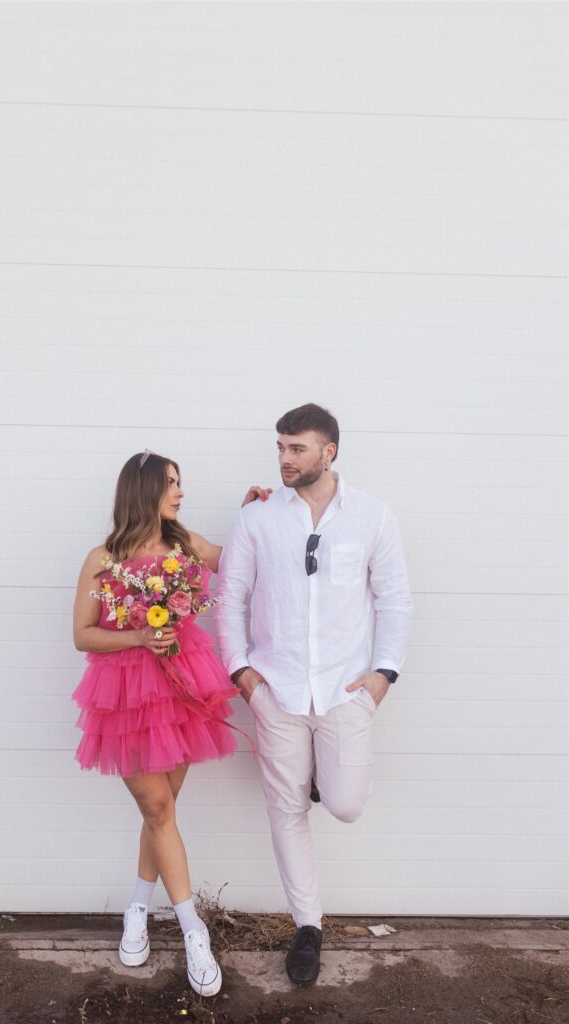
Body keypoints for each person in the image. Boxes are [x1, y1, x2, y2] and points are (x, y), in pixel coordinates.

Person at [216, 403, 412, 986]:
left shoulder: (373, 517)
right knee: (286, 809)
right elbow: (231, 598)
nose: (284, 459)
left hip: (345, 691)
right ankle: (308, 926)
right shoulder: (257, 519)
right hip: (274, 691)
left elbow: (396, 599)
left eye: (296, 448)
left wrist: (382, 677)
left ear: (329, 452)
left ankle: (324, 773)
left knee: (347, 803)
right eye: (279, 447)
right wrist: (243, 676)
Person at [71, 451, 269, 997]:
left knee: (162, 811)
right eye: (172, 484)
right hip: (126, 700)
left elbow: (238, 561)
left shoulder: (184, 544)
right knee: (157, 808)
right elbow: (84, 634)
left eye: (180, 482)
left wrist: (254, 516)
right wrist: (137, 636)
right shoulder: (102, 559)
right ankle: (193, 931)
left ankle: (137, 907)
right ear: (143, 491)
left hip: (183, 690)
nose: (180, 492)